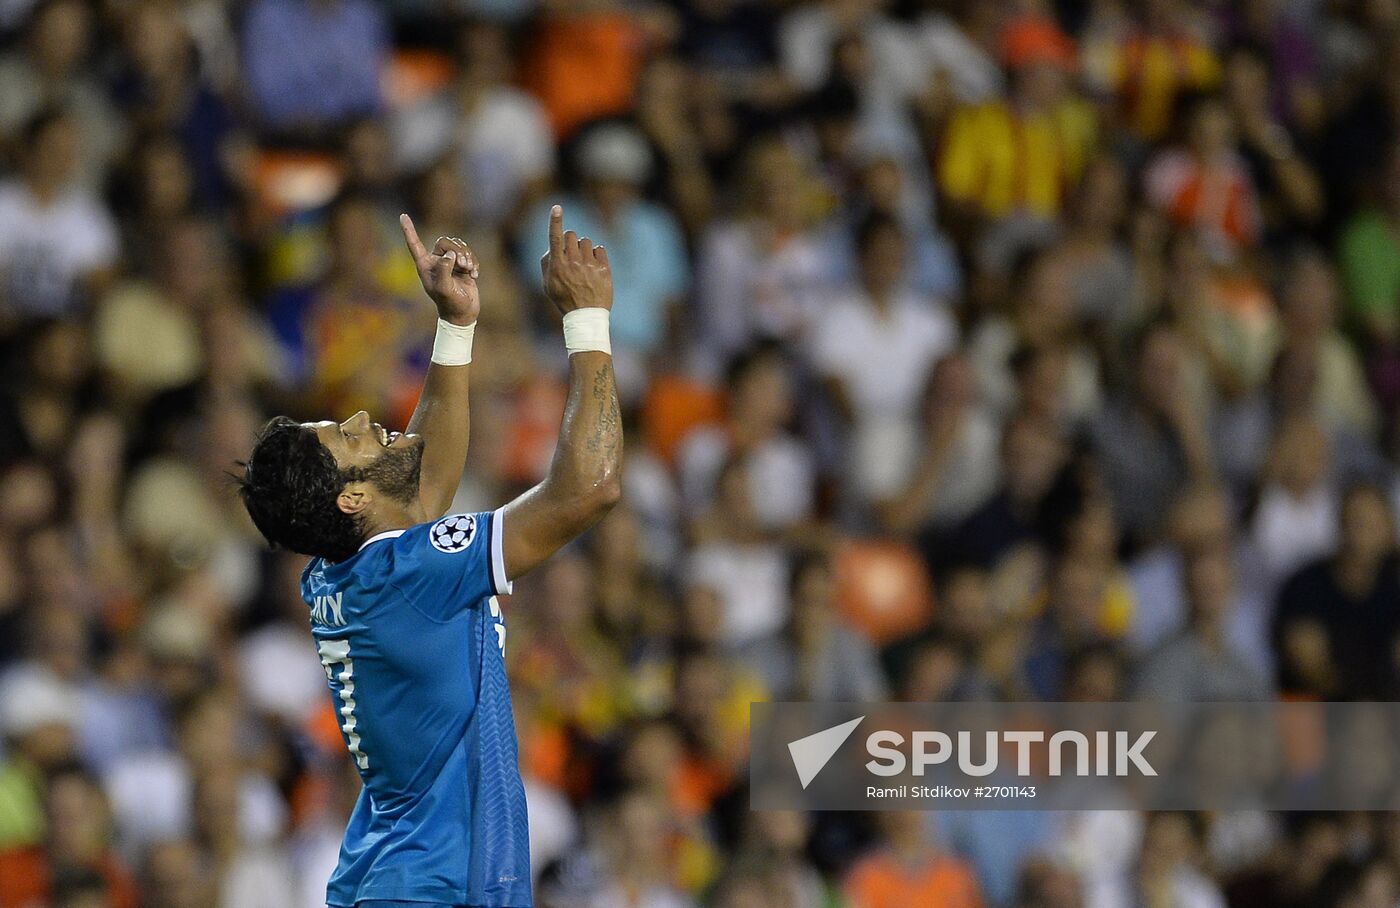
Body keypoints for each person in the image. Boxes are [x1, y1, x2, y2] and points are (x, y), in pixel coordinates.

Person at [236, 205, 622, 907]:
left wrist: (454, 326)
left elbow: (425, 486)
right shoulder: (410, 572)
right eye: (345, 438)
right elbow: (589, 490)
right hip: (429, 888)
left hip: (407, 879)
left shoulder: (342, 572)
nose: (360, 420)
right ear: (351, 500)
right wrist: (588, 323)